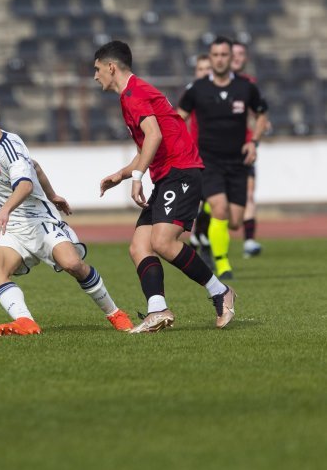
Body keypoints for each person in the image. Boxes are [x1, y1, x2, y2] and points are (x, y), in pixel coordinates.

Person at [0, 93, 134, 336]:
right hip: (13, 229)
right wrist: (53, 194)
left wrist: (4, 211)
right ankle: (25, 322)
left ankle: (115, 313)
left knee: (73, 264)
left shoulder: (9, 148)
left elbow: (26, 185)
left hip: (38, 221)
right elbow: (35, 166)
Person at [94, 40, 236, 333]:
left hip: (181, 172)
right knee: (139, 247)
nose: (95, 76)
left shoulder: (133, 94)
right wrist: (121, 175)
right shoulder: (133, 94)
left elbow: (154, 136)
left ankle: (220, 291)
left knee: (162, 242)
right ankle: (157, 310)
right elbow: (151, 142)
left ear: (111, 67)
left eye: (97, 69)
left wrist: (136, 179)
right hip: (169, 175)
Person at [178, 37, 269, 280]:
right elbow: (178, 118)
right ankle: (223, 264)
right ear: (210, 57)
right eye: (215, 55)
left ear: (232, 58)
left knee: (235, 222)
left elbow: (261, 115)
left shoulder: (245, 88)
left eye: (224, 55)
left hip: (238, 162)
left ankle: (206, 207)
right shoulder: (197, 89)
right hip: (209, 161)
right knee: (220, 208)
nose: (219, 59)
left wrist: (254, 141)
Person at [231, 41, 263, 258]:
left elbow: (258, 112)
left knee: (248, 193)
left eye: (241, 54)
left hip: (244, 148)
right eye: (234, 53)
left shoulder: (249, 84)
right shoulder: (210, 84)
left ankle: (249, 241)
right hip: (217, 150)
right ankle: (204, 240)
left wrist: (260, 125)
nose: (237, 58)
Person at [185, 54, 213, 268]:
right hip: (196, 152)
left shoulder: (221, 90)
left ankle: (199, 236)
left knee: (214, 202)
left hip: (217, 152)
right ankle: (202, 240)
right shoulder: (192, 91)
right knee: (203, 199)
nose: (204, 72)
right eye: (201, 69)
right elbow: (179, 119)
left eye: (207, 68)